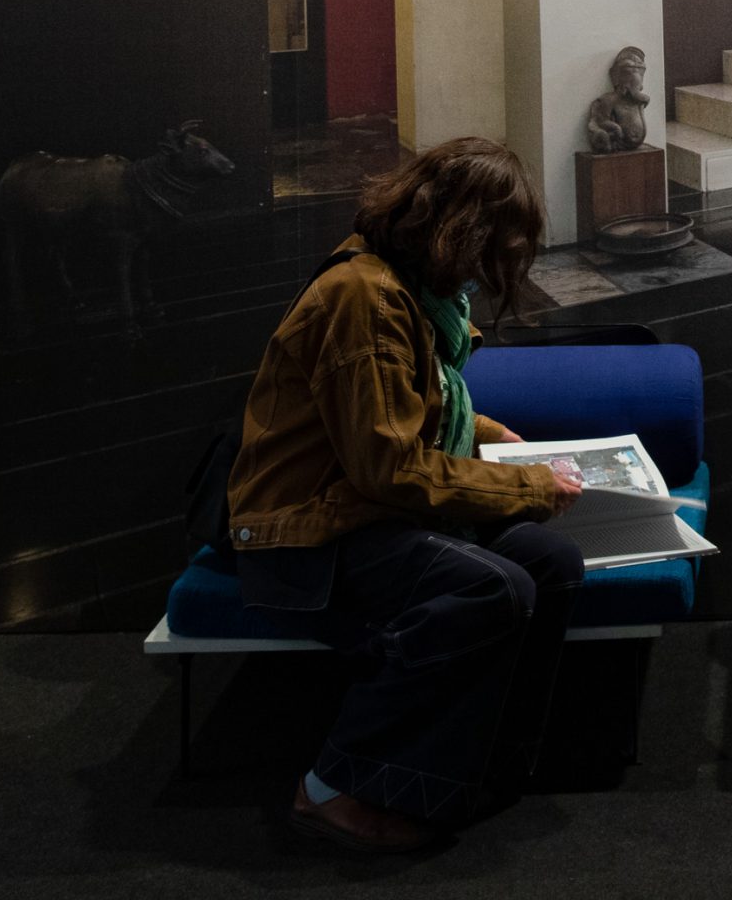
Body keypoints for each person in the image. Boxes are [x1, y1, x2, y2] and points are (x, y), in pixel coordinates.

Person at [225, 137, 584, 854]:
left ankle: (471, 771)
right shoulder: (363, 296)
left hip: (365, 517)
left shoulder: (411, 290)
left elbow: (401, 407)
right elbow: (387, 467)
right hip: (309, 541)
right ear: (460, 230)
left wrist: (482, 429)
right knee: (495, 588)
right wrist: (526, 486)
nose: (490, 276)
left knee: (550, 562)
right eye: (493, 252)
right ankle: (330, 784)